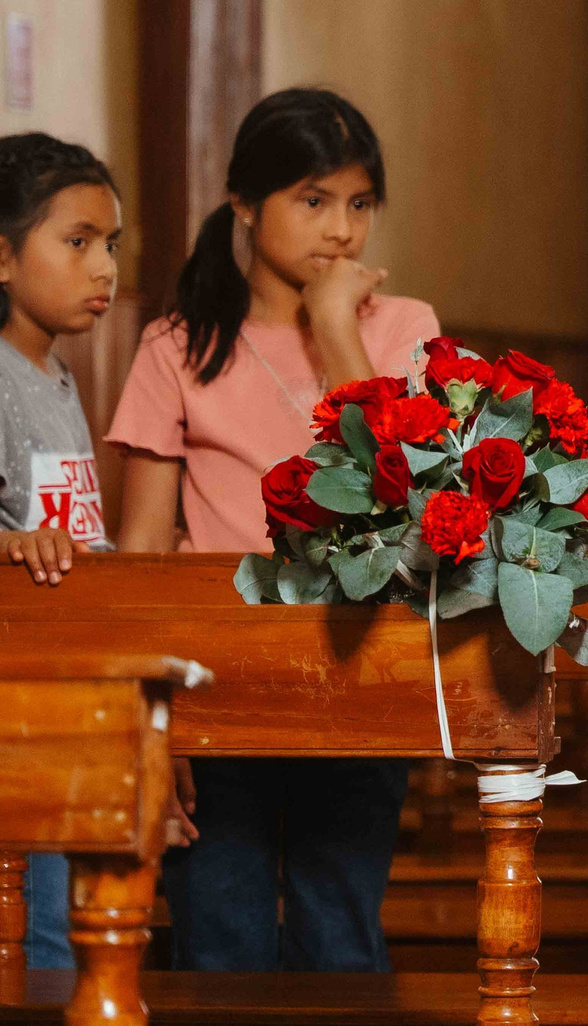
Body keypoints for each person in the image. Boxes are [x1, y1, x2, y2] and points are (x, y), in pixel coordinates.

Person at [106, 88, 438, 973]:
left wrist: (334, 327)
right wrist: (148, 717)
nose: (341, 230)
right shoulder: (177, 347)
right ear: (245, 205)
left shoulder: (404, 330)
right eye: (313, 200)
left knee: (341, 942)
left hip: (358, 673)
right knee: (220, 944)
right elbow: (142, 549)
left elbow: (403, 496)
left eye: (360, 204)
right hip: (215, 686)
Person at [0, 132, 126, 971]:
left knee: (70, 929)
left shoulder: (55, 373)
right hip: (20, 694)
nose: (104, 268)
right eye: (77, 242)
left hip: (70, 689)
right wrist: (14, 543)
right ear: (3, 257)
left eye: (111, 244)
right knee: (40, 937)